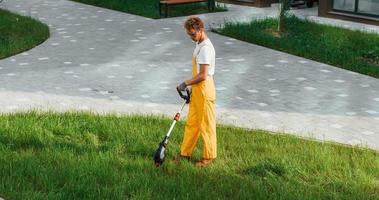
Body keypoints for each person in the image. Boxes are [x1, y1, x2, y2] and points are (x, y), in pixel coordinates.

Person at [177, 16, 216, 167]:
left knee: (206, 125)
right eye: (189, 35)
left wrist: (185, 83)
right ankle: (185, 153)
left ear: (201, 30)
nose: (191, 37)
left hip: (205, 90)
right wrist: (192, 89)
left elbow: (203, 75)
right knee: (192, 123)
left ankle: (209, 157)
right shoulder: (199, 43)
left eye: (193, 34)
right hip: (198, 90)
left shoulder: (205, 48)